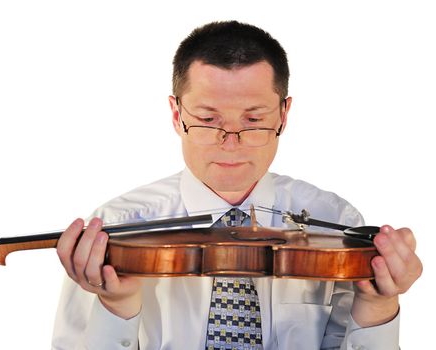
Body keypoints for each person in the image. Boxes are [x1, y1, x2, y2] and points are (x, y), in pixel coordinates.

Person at [51, 21, 422, 350]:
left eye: (254, 119)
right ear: (177, 115)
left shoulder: (335, 220)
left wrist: (378, 307)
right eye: (209, 119)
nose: (230, 141)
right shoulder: (118, 225)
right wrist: (117, 308)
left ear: (284, 115)